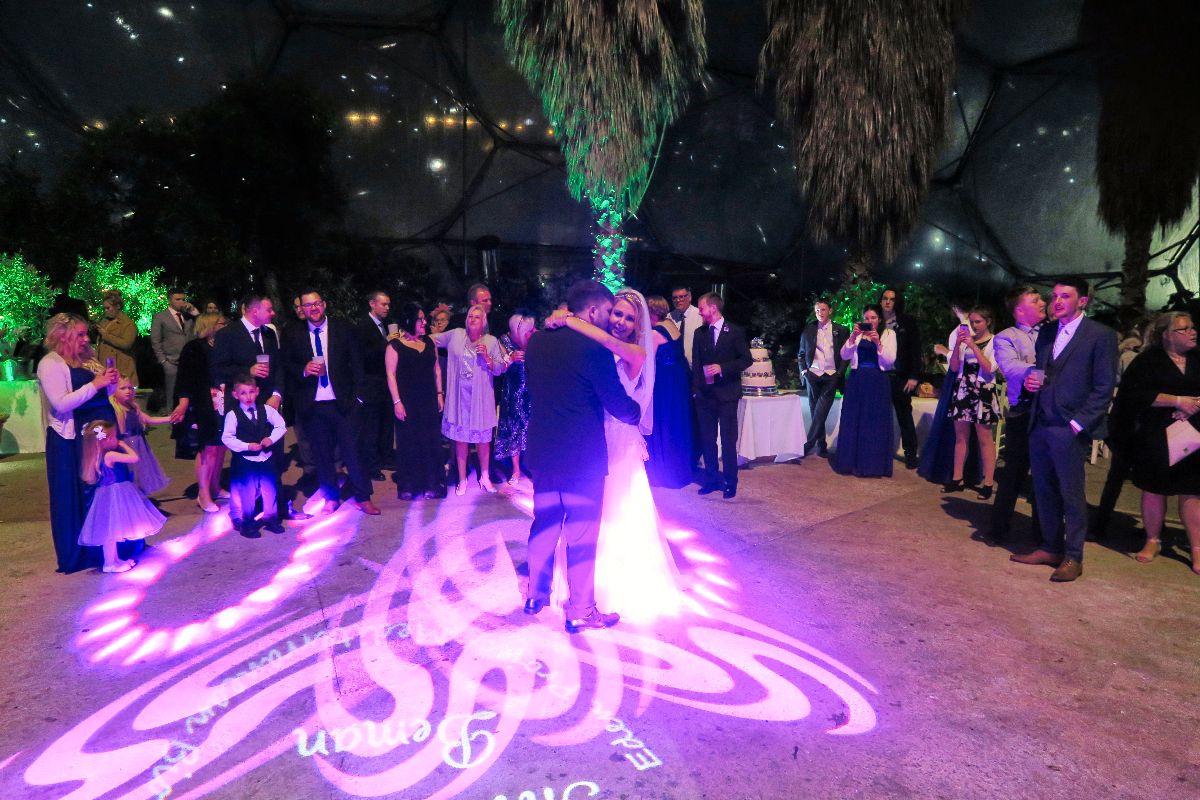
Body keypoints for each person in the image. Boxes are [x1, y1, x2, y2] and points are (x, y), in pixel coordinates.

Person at [544, 288, 685, 621]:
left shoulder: (635, 351)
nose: (620, 321)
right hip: (591, 435)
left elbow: (608, 343)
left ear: (638, 324)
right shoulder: (593, 346)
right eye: (617, 313)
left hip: (619, 440)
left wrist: (568, 319)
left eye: (628, 318)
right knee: (586, 514)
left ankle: (613, 589)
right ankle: (581, 589)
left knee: (617, 510)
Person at [524, 279, 642, 633]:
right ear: (592, 311)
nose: (610, 318)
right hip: (581, 457)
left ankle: (535, 595)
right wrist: (637, 413)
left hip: (543, 449)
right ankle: (580, 611)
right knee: (581, 534)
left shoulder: (538, 341)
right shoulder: (594, 349)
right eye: (607, 311)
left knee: (544, 524)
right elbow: (617, 404)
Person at [1011, 277, 1117, 583]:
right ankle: (1051, 547)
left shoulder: (1100, 335)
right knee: (1043, 490)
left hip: (1069, 427)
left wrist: (1078, 423)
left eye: (1065, 296)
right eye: (1054, 296)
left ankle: (1074, 555)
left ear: (1082, 301)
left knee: (1071, 494)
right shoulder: (1047, 331)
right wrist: (1033, 380)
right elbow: (1044, 371)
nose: (1056, 302)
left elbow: (1104, 387)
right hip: (1041, 422)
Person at [1112, 312, 1200, 573]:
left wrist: (1194, 405)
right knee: (1154, 488)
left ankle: (1197, 547)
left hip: (1194, 434)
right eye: (1184, 329)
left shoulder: (1198, 358)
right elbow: (1133, 394)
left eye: (1192, 327)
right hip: (1156, 434)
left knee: (1192, 491)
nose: (1192, 332)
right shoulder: (1148, 361)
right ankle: (1152, 540)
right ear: (1167, 335)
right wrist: (1176, 401)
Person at [282, 291, 380, 516]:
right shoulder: (293, 333)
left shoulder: (343, 328)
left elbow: (357, 363)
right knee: (322, 455)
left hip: (343, 403)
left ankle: (363, 497)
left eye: (317, 303)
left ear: (324, 304)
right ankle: (331, 497)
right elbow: (286, 365)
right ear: (302, 309)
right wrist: (303, 369)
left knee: (353, 452)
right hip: (313, 405)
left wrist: (359, 397)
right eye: (308, 305)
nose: (314, 308)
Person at [38, 313, 119, 573]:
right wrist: (95, 384)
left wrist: (110, 383)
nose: (86, 339)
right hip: (69, 439)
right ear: (63, 336)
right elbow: (61, 403)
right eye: (80, 334)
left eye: (86, 334)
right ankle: (82, 553)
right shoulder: (50, 363)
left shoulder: (86, 358)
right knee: (74, 495)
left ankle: (108, 549)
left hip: (96, 436)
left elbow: (102, 394)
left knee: (104, 489)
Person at [432, 303, 508, 495]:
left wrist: (488, 359)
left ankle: (485, 477)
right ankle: (462, 478)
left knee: (483, 441)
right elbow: (432, 340)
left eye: (477, 317)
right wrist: (409, 337)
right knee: (461, 440)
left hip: (481, 399)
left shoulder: (491, 341)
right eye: (470, 316)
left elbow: (500, 368)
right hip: (460, 399)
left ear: (483, 322)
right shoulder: (456, 335)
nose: (473, 319)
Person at [990, 286, 1046, 544]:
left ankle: (1041, 534)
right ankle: (999, 529)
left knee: (1044, 474)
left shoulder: (1052, 332)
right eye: (1036, 300)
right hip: (1022, 411)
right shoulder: (1006, 337)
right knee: (1013, 472)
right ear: (1020, 310)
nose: (1043, 302)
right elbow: (1011, 367)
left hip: (1048, 410)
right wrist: (1041, 374)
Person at [78, 419, 165, 572]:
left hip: (108, 495)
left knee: (111, 532)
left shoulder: (99, 456)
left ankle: (114, 560)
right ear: (104, 441)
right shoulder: (110, 455)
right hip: (115, 495)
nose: (116, 439)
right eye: (112, 437)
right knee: (111, 533)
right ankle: (109, 564)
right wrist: (123, 444)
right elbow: (134, 458)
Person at [692, 292, 753, 499]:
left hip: (727, 395)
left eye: (701, 308)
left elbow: (746, 359)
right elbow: (697, 364)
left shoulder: (735, 331)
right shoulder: (700, 333)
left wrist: (723, 368)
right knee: (708, 439)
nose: (699, 312)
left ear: (713, 308)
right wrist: (696, 391)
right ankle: (711, 479)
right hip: (705, 396)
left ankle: (730, 482)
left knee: (728, 440)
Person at [386, 302, 446, 499]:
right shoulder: (394, 346)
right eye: (420, 319)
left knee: (430, 440)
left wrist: (439, 394)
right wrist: (397, 402)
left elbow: (437, 369)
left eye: (424, 319)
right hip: (407, 402)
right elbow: (391, 375)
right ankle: (409, 484)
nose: (424, 322)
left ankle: (431, 483)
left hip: (428, 399)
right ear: (409, 321)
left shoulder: (429, 342)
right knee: (409, 442)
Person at [172, 312, 229, 513]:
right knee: (208, 448)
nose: (225, 326)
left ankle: (215, 486)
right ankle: (203, 494)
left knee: (221, 446)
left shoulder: (224, 346)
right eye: (222, 323)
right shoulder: (194, 348)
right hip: (203, 403)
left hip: (223, 400)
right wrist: (183, 402)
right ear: (210, 326)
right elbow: (184, 378)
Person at [941, 306, 1000, 498]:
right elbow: (954, 367)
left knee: (985, 438)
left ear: (988, 322)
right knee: (961, 436)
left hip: (983, 390)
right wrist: (959, 345)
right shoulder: (966, 341)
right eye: (972, 322)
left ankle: (988, 482)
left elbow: (990, 368)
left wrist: (974, 346)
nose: (974, 325)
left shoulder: (995, 341)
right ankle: (957, 478)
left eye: (978, 322)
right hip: (963, 389)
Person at [833, 304, 897, 478]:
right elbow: (844, 355)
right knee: (854, 419)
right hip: (857, 380)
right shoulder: (858, 335)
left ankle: (871, 465)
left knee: (873, 422)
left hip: (877, 381)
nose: (869, 321)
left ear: (879, 319)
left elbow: (890, 360)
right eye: (866, 318)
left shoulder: (888, 334)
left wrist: (878, 343)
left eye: (873, 318)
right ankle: (850, 463)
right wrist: (853, 337)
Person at [220, 374, 287, 537]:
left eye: (251, 392)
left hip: (266, 458)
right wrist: (247, 446)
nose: (248, 397)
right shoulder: (233, 415)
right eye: (243, 393)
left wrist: (271, 439)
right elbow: (227, 438)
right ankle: (247, 523)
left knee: (270, 489)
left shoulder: (266, 410)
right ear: (235, 395)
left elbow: (281, 425)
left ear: (257, 391)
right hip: (246, 460)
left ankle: (270, 518)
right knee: (247, 492)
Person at [645, 295, 694, 488]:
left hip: (664, 385)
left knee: (662, 422)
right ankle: (679, 469)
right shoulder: (671, 325)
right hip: (678, 383)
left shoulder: (655, 333)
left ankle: (663, 472)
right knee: (675, 424)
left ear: (651, 312)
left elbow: (648, 362)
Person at [797, 298, 850, 458]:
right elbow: (801, 354)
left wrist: (839, 373)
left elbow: (845, 355)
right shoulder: (809, 329)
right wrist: (804, 371)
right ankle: (821, 445)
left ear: (830, 310)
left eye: (823, 309)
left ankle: (808, 444)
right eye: (817, 310)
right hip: (812, 375)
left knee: (821, 410)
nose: (820, 313)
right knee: (816, 411)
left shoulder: (841, 330)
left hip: (832, 375)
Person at [211, 294, 283, 412]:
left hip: (268, 402)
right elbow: (218, 369)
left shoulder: (269, 333)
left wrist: (277, 394)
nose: (273, 313)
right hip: (239, 404)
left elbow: (278, 366)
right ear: (255, 311)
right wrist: (248, 371)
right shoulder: (227, 334)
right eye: (269, 310)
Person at [355, 290, 396, 481]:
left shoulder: (385, 325)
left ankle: (385, 457)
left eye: (388, 304)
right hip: (371, 384)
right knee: (371, 427)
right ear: (372, 304)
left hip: (384, 383)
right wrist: (386, 343)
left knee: (386, 424)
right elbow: (362, 355)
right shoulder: (363, 326)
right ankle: (371, 466)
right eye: (383, 304)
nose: (387, 308)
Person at [109, 375, 173, 496]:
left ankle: (139, 495)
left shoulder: (133, 406)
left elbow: (149, 419)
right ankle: (131, 496)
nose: (128, 391)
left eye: (130, 388)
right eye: (123, 388)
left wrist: (171, 418)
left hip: (139, 443)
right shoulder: (116, 410)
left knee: (141, 470)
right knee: (130, 471)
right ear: (113, 390)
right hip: (127, 444)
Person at [879, 287, 922, 468]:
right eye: (885, 298)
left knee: (904, 415)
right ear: (880, 300)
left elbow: (915, 351)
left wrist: (914, 376)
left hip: (900, 377)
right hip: (879, 377)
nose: (888, 301)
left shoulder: (907, 322)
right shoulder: (875, 321)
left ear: (897, 302)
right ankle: (878, 450)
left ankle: (910, 453)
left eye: (892, 299)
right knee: (879, 415)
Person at [495, 311, 535, 485]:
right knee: (513, 427)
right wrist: (511, 358)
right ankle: (516, 470)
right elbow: (499, 367)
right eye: (527, 330)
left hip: (531, 389)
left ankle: (531, 465)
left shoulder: (534, 338)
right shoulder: (503, 340)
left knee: (531, 427)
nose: (530, 332)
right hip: (512, 391)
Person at [150, 289, 198, 413]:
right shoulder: (160, 316)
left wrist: (195, 314)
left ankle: (188, 414)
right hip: (170, 360)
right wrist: (163, 360)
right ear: (170, 300)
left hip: (188, 360)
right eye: (178, 299)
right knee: (171, 391)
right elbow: (155, 340)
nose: (181, 302)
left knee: (189, 390)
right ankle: (171, 414)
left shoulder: (188, 316)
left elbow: (199, 331)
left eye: (183, 299)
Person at [96, 289, 139, 386]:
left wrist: (106, 335)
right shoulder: (104, 321)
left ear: (118, 306)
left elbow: (126, 344)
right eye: (104, 308)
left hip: (121, 367)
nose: (106, 311)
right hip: (104, 366)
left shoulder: (128, 324)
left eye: (108, 308)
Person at [670, 286, 705, 367]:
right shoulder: (669, 318)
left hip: (695, 367)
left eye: (681, 297)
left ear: (689, 297)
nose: (678, 300)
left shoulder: (701, 316)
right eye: (675, 298)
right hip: (675, 367)